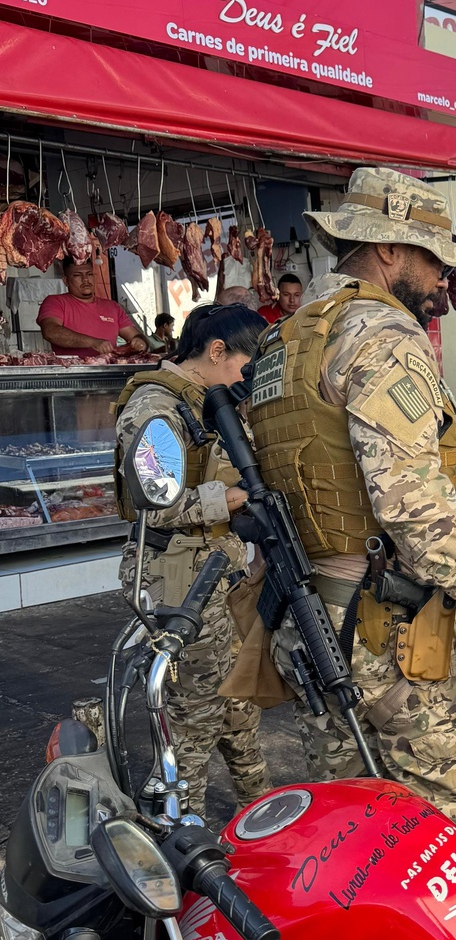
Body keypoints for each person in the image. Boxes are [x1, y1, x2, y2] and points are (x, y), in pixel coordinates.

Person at [245, 166, 456, 858]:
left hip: (312, 623)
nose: (447, 277)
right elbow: (411, 505)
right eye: (435, 258)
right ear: (387, 250)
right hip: (392, 633)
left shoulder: (286, 342)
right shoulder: (382, 336)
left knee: (357, 833)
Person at [112, 304, 271, 818]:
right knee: (192, 721)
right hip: (178, 584)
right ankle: (184, 833)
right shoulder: (157, 407)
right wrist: (223, 500)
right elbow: (153, 505)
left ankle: (262, 817)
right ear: (217, 350)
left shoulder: (208, 402)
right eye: (246, 367)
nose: (248, 380)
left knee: (240, 711)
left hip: (218, 575)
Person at [37, 255, 148, 359]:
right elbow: (51, 332)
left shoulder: (112, 307)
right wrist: (93, 342)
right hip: (71, 373)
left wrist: (140, 342)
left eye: (89, 274)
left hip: (110, 372)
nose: (85, 279)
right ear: (66, 281)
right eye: (77, 275)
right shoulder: (55, 302)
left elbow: (136, 336)